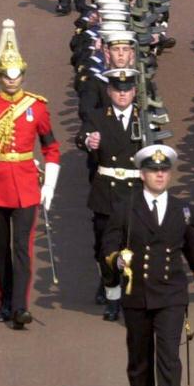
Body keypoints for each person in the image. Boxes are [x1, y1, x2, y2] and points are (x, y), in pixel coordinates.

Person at [103, 144, 194, 386]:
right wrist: (117, 259)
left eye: (164, 170)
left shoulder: (182, 209)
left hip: (171, 293)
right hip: (137, 291)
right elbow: (108, 245)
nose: (160, 175)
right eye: (153, 171)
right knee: (139, 356)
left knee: (168, 356)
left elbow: (193, 247)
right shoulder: (126, 207)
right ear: (142, 174)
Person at [0, 19, 60, 329]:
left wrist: (50, 186)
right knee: (1, 247)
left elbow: (51, 148)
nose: (12, 81)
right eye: (7, 76)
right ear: (1, 76)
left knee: (23, 248)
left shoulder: (37, 107)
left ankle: (20, 307)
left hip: (27, 185)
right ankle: (5, 301)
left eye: (16, 76)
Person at [81, 66, 144, 322]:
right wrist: (88, 142)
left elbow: (157, 149)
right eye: (117, 90)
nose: (122, 94)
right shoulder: (98, 117)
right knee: (105, 246)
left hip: (134, 190)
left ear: (134, 91)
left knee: (135, 245)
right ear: (109, 91)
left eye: (127, 90)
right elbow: (81, 136)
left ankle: (133, 296)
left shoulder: (146, 119)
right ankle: (112, 295)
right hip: (107, 190)